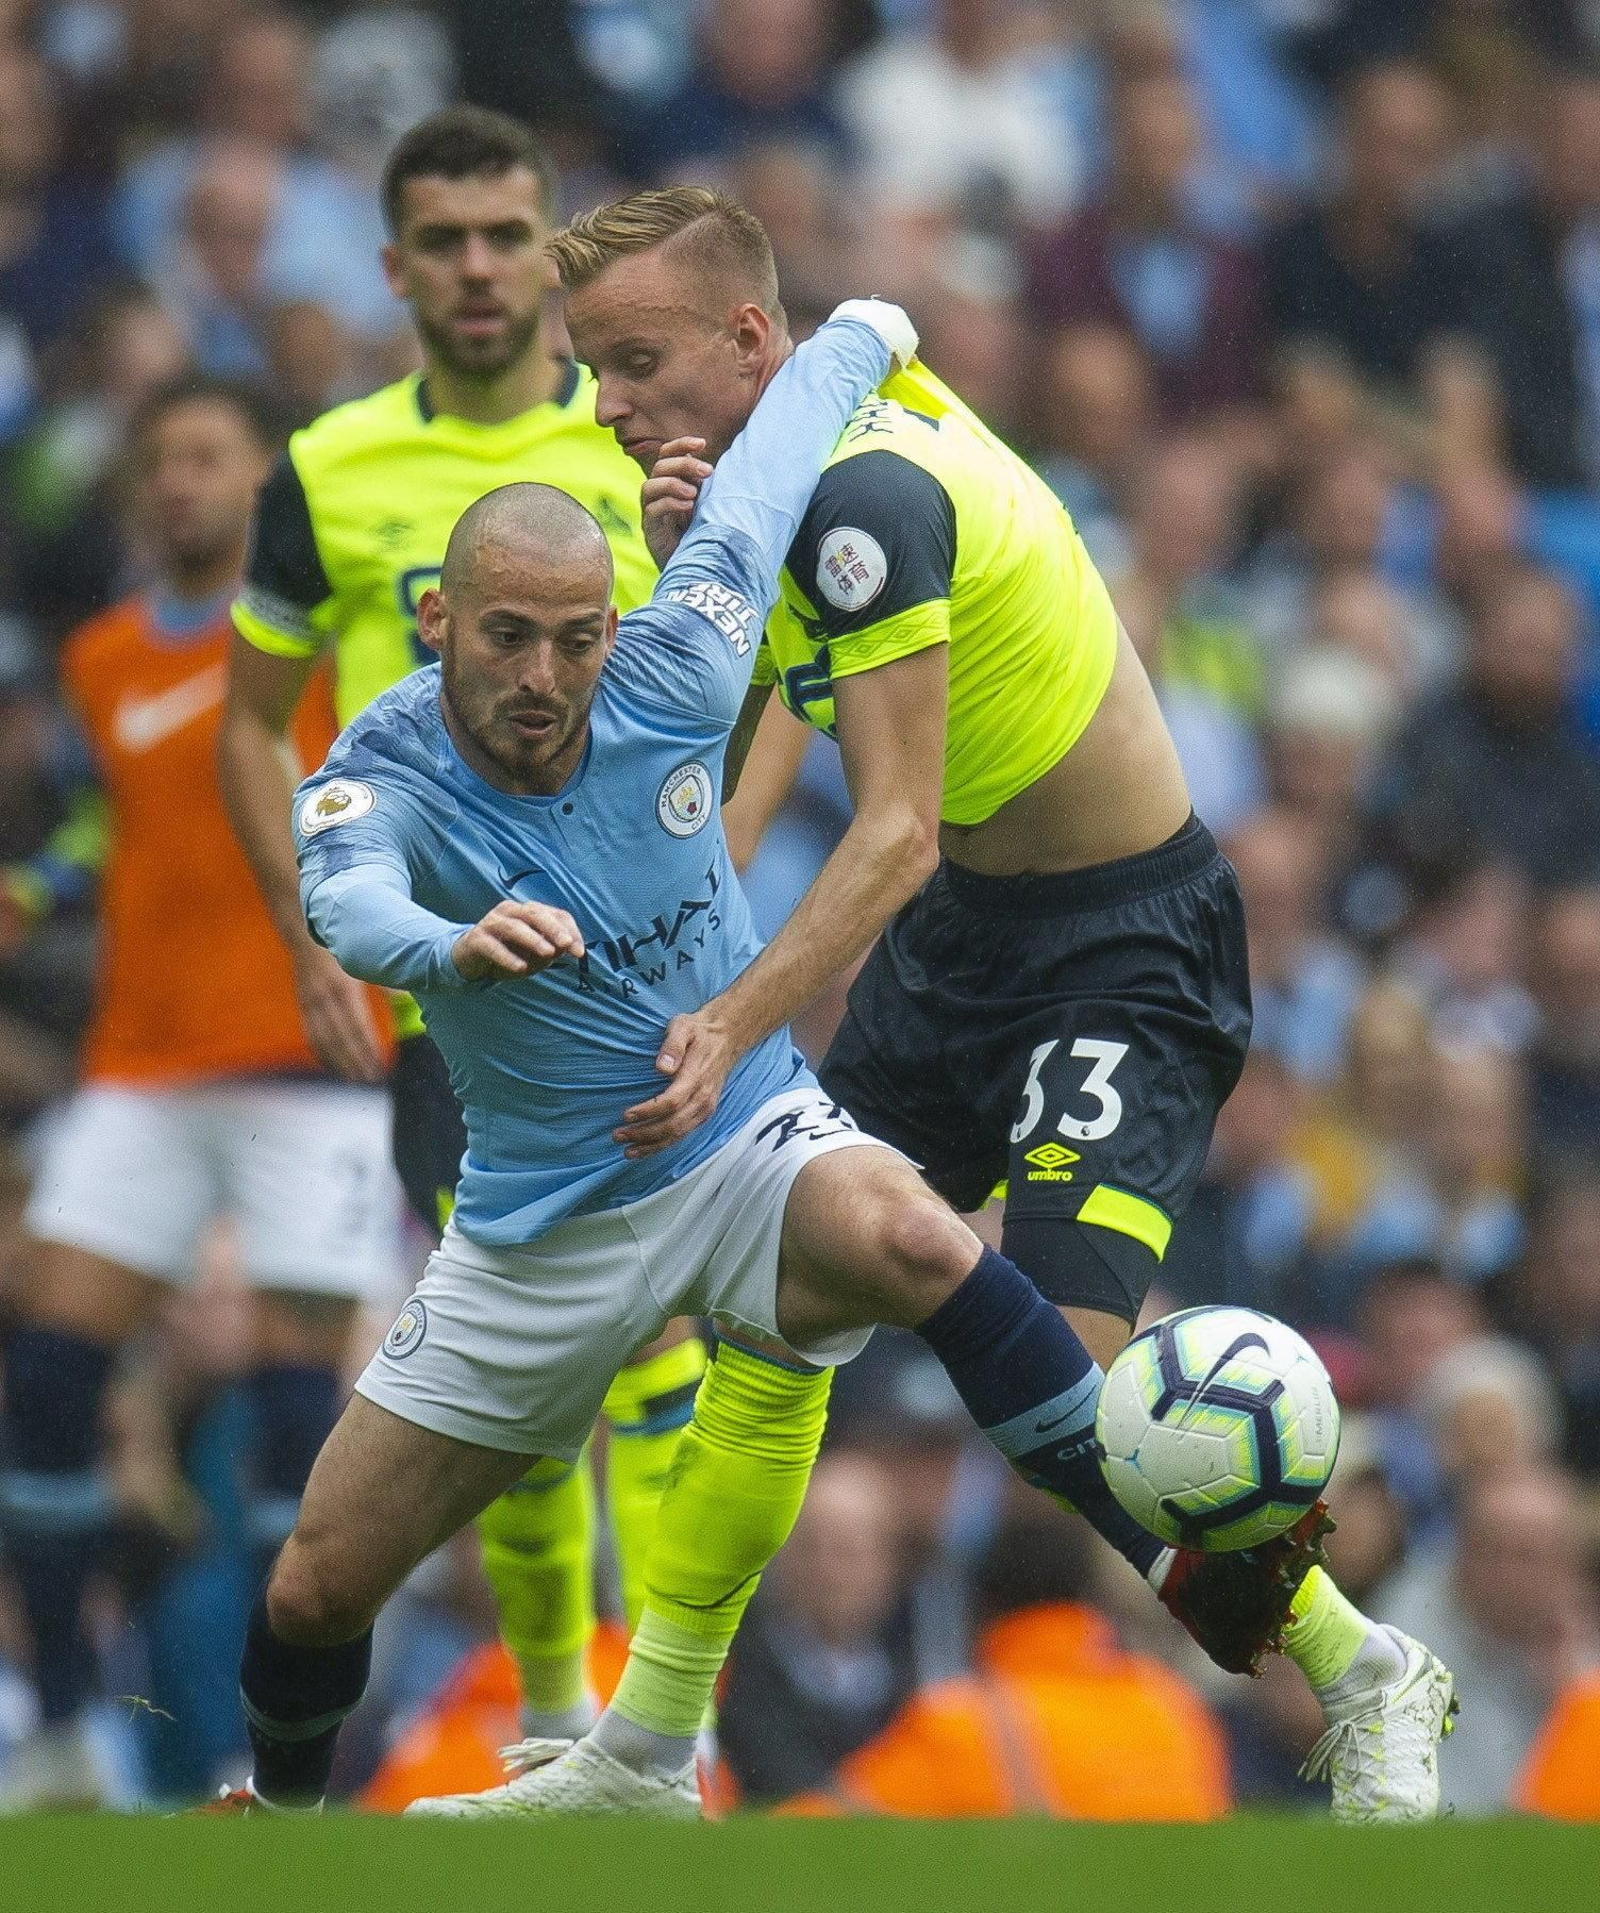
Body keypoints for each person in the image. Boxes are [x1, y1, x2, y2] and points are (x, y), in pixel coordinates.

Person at [543, 186, 1454, 1821]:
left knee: (1071, 1393)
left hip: (1122, 947)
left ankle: (1363, 1663)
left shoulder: (868, 496)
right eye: (589, 368)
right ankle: (645, 1757)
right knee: (775, 1312)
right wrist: (673, 928)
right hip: (971, 935)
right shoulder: (768, 476)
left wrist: (729, 1021)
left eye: (632, 360)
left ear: (750, 344)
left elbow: (883, 833)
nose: (606, 404)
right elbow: (758, 743)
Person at [222, 297, 914, 1815]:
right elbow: (344, 892)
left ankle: (654, 1746)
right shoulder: (385, 756)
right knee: (317, 1582)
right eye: (511, 636)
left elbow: (761, 485)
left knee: (904, 1249)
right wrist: (446, 947)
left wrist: (862, 333)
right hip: (528, 1182)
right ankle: (296, 1812)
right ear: (440, 622)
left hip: (724, 1132)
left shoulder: (673, 655)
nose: (545, 674)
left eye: (575, 638)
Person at [216, 104, 701, 1738]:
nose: (481, 268)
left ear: (549, 253)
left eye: (509, 234)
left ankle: (661, 1707)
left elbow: (733, 687)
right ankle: (557, 1712)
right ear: (395, 265)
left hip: (642, 964)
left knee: (663, 1337)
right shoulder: (328, 470)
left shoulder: (641, 446)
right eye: (448, 240)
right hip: (457, 999)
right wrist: (309, 936)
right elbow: (246, 719)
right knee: (549, 1359)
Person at [0, 374, 402, 1807]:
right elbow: (125, 810)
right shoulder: (102, 656)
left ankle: (277, 1754)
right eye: (158, 458)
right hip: (141, 1064)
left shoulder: (327, 640)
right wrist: (36, 882)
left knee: (303, 1416)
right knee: (46, 1374)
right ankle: (58, 1728)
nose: (178, 481)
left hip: (314, 1058)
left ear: (262, 485)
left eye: (207, 456)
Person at [784, 1502, 1231, 1821]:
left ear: (985, 1612)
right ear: (1090, 1599)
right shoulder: (1177, 1709)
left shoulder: (965, 1726)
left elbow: (806, 1841)